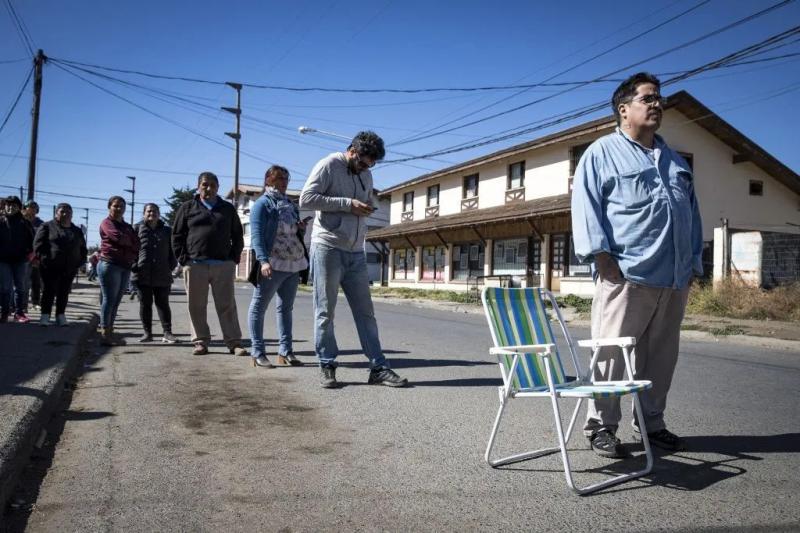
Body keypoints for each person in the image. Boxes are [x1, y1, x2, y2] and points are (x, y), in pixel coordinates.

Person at [571, 72, 703, 458]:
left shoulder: (675, 160)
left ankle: (651, 423)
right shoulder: (601, 153)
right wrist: (602, 259)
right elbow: (586, 208)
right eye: (648, 98)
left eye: (659, 99)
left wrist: (693, 265)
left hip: (674, 278)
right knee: (610, 353)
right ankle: (600, 425)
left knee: (661, 358)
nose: (657, 104)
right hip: (626, 275)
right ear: (623, 109)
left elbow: (692, 215)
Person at [299, 131, 407, 388]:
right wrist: (348, 204)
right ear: (352, 150)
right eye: (362, 162)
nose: (365, 168)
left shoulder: (366, 174)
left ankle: (378, 367)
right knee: (325, 311)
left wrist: (366, 206)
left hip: (356, 250)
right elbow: (306, 198)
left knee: (366, 313)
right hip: (327, 247)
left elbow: (363, 201)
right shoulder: (329, 165)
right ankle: (327, 364)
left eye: (370, 165)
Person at [172, 171, 247, 356]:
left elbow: (237, 235)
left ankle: (234, 342)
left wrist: (233, 259)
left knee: (227, 304)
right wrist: (184, 259)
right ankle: (200, 341)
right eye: (205, 184)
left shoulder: (227, 209)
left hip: (222, 264)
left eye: (213, 185)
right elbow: (177, 235)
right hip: (195, 264)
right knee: (196, 305)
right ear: (199, 187)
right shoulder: (188, 207)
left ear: (218, 188)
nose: (209, 188)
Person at [247, 165, 308, 368]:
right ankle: (257, 352)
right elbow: (256, 235)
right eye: (279, 178)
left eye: (286, 178)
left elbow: (291, 234)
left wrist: (300, 229)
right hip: (272, 264)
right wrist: (263, 260)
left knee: (285, 309)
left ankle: (286, 351)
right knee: (259, 308)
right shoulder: (262, 204)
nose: (284, 182)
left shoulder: (290, 204)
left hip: (293, 263)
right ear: (268, 180)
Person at [33, 203, 87, 326]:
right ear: (56, 213)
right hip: (50, 266)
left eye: (68, 211)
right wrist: (44, 259)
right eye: (62, 211)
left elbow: (82, 247)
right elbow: (38, 245)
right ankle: (45, 316)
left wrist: (80, 261)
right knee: (49, 290)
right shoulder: (47, 226)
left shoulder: (76, 230)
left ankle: (60, 315)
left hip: (69, 267)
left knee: (64, 291)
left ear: (72, 214)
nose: (65, 214)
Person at [132, 203, 178, 343]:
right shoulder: (136, 228)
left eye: (155, 211)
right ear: (144, 213)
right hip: (142, 273)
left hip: (162, 274)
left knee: (163, 303)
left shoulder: (167, 230)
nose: (152, 214)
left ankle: (167, 333)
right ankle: (147, 333)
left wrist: (170, 266)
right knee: (145, 304)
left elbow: (173, 251)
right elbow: (130, 249)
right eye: (149, 211)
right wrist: (134, 266)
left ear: (159, 213)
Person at [98, 196, 140, 345]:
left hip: (125, 266)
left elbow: (136, 243)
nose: (118, 209)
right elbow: (118, 238)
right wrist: (129, 241)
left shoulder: (127, 227)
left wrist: (129, 242)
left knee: (116, 301)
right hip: (110, 265)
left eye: (121, 206)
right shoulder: (106, 223)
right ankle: (104, 332)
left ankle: (110, 330)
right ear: (109, 207)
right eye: (115, 206)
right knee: (108, 300)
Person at [0, 196, 35, 323]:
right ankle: (4, 313)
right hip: (3, 260)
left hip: (21, 260)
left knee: (20, 287)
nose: (10, 207)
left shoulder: (24, 223)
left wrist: (31, 254)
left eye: (13, 205)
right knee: (5, 288)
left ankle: (19, 313)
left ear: (19, 208)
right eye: (8, 205)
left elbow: (33, 240)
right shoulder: (1, 221)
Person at [23, 200, 44, 311]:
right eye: (29, 207)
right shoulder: (21, 221)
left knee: (36, 281)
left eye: (34, 207)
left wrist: (38, 256)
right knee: (23, 282)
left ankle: (36, 302)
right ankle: (22, 304)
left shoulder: (40, 223)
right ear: (24, 208)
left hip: (36, 255)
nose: (31, 209)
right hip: (22, 256)